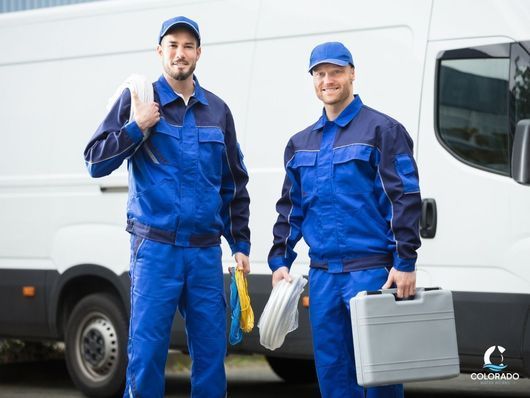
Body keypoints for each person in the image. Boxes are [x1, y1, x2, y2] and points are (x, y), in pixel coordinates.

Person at [84, 16, 250, 398]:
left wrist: (240, 243)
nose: (180, 53)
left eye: (188, 46)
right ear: (160, 51)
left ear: (199, 53)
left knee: (211, 356)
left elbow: (233, 183)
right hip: (155, 249)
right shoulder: (139, 99)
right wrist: (135, 127)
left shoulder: (218, 111)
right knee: (146, 356)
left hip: (205, 253)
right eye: (172, 45)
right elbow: (95, 161)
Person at [268, 42, 421, 398]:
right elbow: (291, 207)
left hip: (372, 273)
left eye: (335, 71)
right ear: (312, 80)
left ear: (352, 73)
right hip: (322, 276)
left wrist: (405, 261)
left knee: (379, 377)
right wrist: (280, 259)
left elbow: (403, 198)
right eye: (319, 73)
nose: (327, 80)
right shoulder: (300, 143)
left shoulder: (382, 131)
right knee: (333, 374)